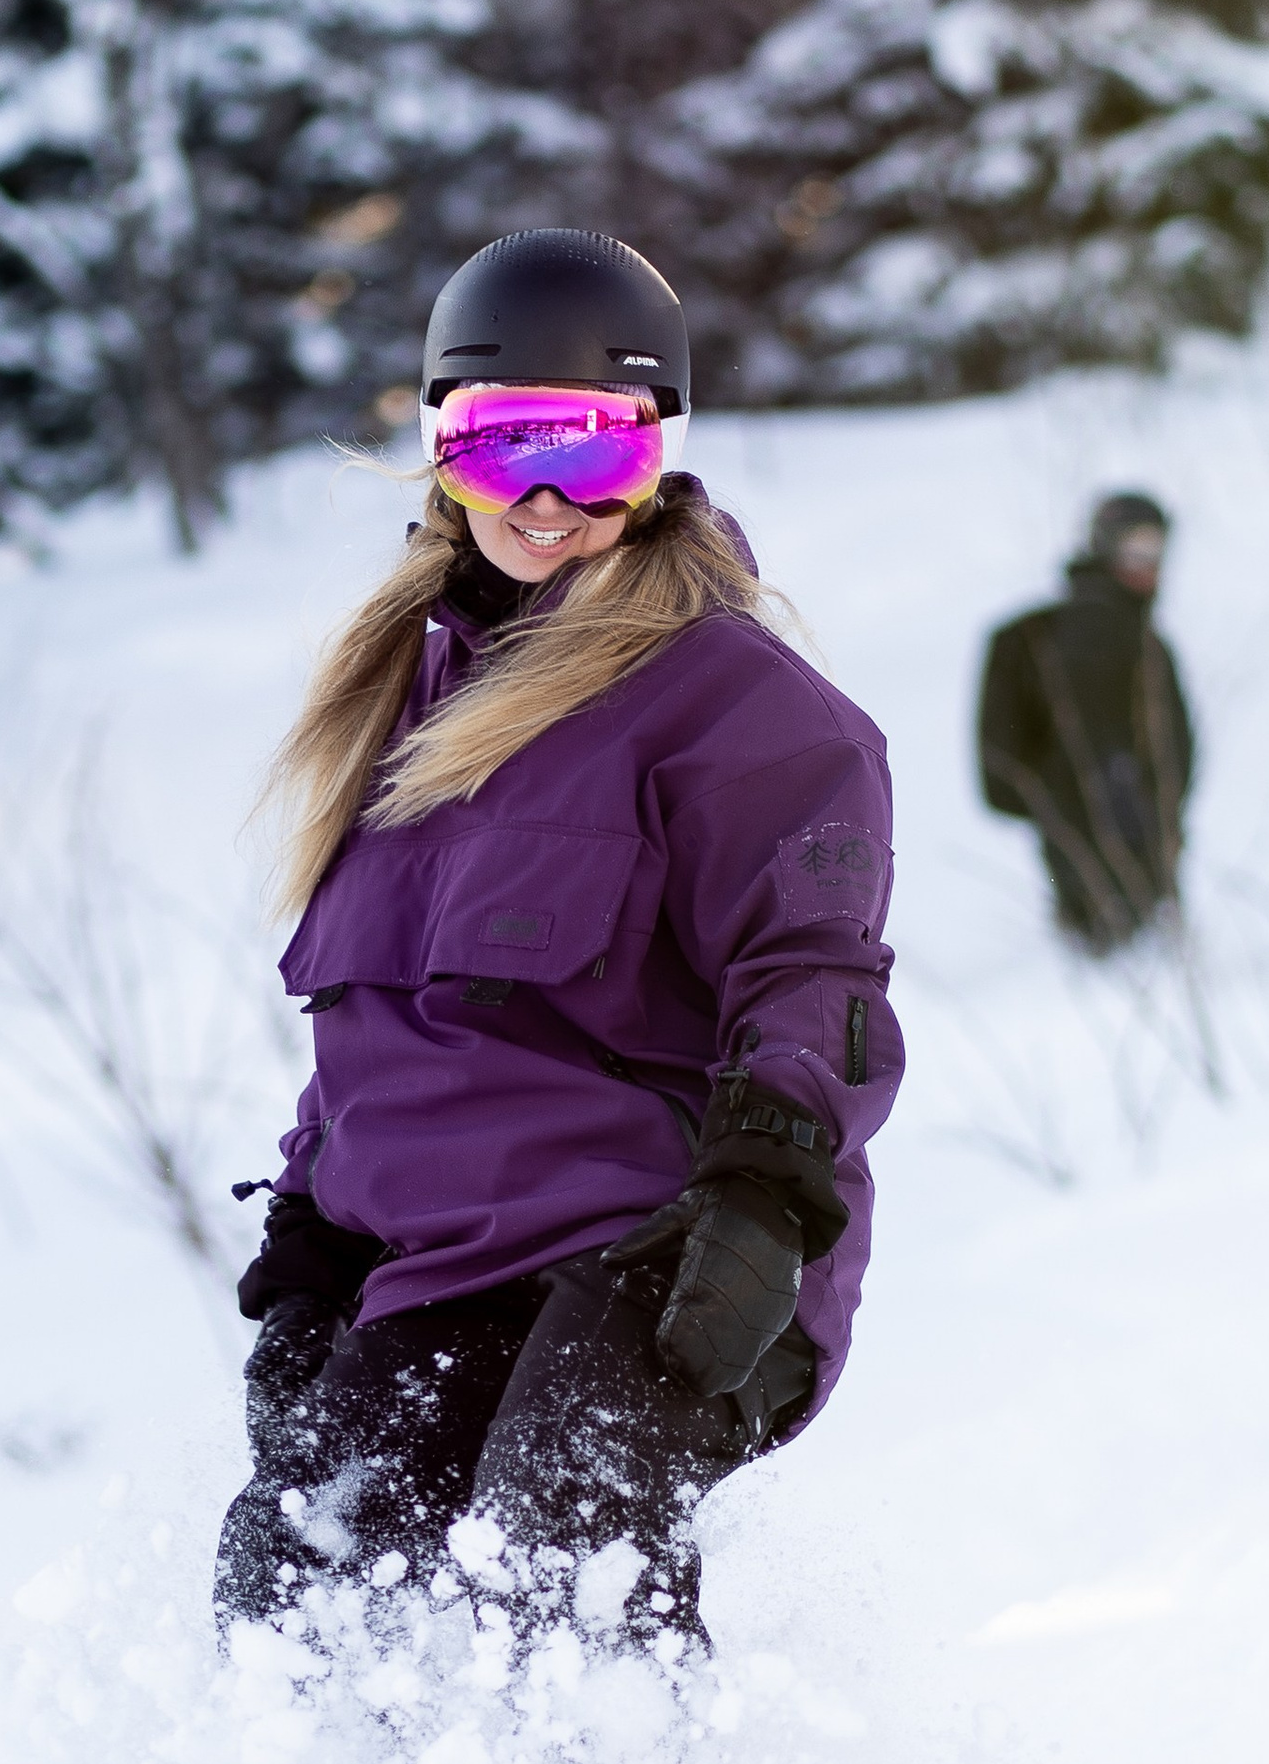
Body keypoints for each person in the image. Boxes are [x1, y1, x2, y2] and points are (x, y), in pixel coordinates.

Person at [215, 227, 903, 1656]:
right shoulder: (399, 710)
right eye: (497, 447)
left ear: (656, 456)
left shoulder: (736, 705)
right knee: (298, 1571)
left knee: (559, 1540)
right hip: (454, 1262)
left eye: (587, 455)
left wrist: (765, 1198)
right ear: (437, 452)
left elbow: (812, 975)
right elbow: (382, 1025)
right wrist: (311, 1226)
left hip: (673, 1242)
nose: (538, 497)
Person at [976, 490, 1196, 955]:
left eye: (1158, 551)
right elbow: (1001, 772)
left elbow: (1180, 757)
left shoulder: (1150, 645)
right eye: (1135, 549)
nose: (1148, 566)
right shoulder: (1030, 638)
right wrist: (1061, 812)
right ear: (1103, 546)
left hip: (1154, 880)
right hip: (1081, 888)